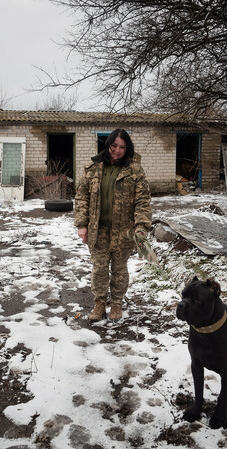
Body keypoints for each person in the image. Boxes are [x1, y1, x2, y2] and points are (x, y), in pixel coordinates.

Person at [74, 128, 152, 321]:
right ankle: (99, 304)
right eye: (114, 145)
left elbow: (142, 200)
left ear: (127, 148)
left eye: (122, 147)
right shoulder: (93, 168)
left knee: (119, 269)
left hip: (123, 231)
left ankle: (116, 304)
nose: (117, 150)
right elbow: (81, 197)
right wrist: (82, 224)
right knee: (99, 269)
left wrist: (141, 226)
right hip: (97, 229)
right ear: (108, 144)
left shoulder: (134, 170)